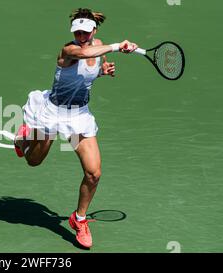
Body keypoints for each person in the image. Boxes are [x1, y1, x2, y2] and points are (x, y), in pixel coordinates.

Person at [13, 7, 138, 248]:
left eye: (85, 32)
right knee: (34, 161)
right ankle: (23, 140)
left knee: (94, 173)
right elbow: (83, 56)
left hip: (79, 116)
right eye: (77, 32)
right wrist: (117, 46)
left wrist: (102, 72)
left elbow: (85, 73)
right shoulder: (69, 50)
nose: (81, 36)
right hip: (52, 113)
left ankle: (79, 219)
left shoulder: (97, 46)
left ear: (94, 30)